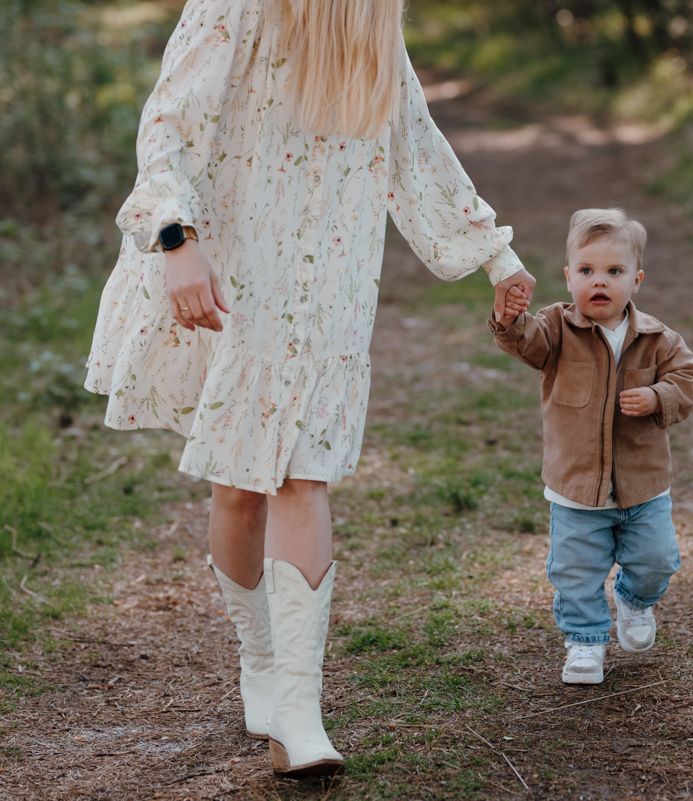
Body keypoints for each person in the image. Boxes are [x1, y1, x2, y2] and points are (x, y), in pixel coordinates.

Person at [84, 0, 535, 776]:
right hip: (235, 274)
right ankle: (258, 660)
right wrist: (175, 240)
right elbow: (168, 122)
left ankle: (298, 708)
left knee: (303, 474)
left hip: (332, 290)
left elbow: (414, 147)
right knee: (239, 491)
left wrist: (496, 256)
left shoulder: (368, 24)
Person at [490, 208, 693, 684]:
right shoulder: (555, 330)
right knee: (575, 572)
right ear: (568, 278)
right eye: (586, 271)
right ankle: (585, 642)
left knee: (657, 559)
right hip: (576, 489)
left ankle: (633, 599)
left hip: (642, 488)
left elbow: (688, 380)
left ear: (637, 279)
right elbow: (525, 343)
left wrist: (657, 396)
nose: (599, 282)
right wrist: (509, 318)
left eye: (614, 271)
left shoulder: (657, 339)